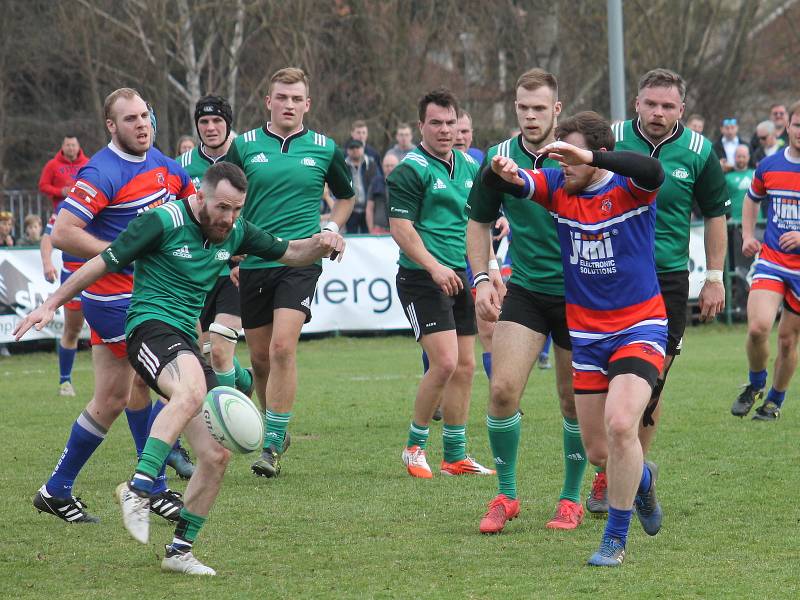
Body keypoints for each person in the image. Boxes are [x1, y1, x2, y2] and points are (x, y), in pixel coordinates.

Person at [15, 162, 345, 575]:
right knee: (189, 391)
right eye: (222, 207)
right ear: (200, 197)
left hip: (185, 341)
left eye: (237, 209)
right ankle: (139, 488)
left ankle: (179, 551)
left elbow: (293, 252)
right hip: (149, 328)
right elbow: (102, 263)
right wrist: (51, 304)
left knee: (216, 455)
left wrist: (324, 240)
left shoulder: (237, 230)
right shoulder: (162, 221)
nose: (229, 218)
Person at [484, 111, 666, 567]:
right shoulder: (558, 190)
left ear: (594, 156)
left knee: (623, 424)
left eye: (571, 156)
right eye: (559, 156)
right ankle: (642, 479)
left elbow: (653, 171)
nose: (562, 165)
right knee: (601, 452)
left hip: (639, 327)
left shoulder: (628, 189)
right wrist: (499, 172)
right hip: (587, 336)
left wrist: (589, 155)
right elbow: (508, 184)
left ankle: (614, 539)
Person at [31, 87, 194, 524]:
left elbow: (192, 212)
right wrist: (119, 252)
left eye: (145, 116)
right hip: (114, 298)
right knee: (167, 383)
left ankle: (56, 489)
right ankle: (155, 486)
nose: (141, 124)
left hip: (150, 296)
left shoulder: (166, 167)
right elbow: (64, 232)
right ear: (111, 126)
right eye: (130, 119)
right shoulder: (101, 171)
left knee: (111, 398)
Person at [598, 68, 729, 515]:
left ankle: (626, 476)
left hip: (667, 280)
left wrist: (714, 276)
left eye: (668, 106)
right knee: (600, 385)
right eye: (651, 103)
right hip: (608, 274)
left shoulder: (698, 151)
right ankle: (626, 470)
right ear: (636, 102)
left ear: (682, 110)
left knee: (650, 385)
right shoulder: (609, 139)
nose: (658, 112)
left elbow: (715, 214)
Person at [468, 68, 588, 533]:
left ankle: (571, 498)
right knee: (501, 390)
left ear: (557, 109)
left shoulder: (577, 156)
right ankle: (507, 495)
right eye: (523, 107)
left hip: (581, 297)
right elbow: (478, 222)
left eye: (540, 108)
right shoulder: (499, 158)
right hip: (528, 291)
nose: (531, 115)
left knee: (572, 401)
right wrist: (482, 278)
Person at [224, 67, 355, 478]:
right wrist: (230, 252)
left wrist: (330, 229)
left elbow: (347, 196)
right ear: (268, 101)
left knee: (283, 349)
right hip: (255, 261)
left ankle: (272, 444)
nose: (289, 105)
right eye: (282, 97)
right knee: (261, 360)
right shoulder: (243, 146)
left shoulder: (324, 147)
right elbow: (224, 198)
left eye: (297, 99)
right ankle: (273, 426)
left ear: (307, 104)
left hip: (301, 261)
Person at [389, 87, 493, 479]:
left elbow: (476, 224)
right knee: (445, 362)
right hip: (421, 277)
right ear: (421, 126)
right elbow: (401, 229)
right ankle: (414, 447)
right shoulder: (410, 169)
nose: (445, 129)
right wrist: (434, 267)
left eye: (451, 122)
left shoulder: (468, 166)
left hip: (459, 276)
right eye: (436, 123)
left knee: (466, 367)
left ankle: (455, 455)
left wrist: (489, 270)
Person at [177, 95, 253, 403]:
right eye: (204, 122)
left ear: (228, 124)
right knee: (206, 353)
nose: (210, 127)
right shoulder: (181, 165)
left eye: (217, 121)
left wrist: (243, 255)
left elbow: (254, 211)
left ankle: (229, 415)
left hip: (232, 270)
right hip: (196, 271)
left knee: (220, 349)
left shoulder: (243, 158)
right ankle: (244, 380)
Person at [731, 101, 800, 421]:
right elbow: (751, 200)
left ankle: (774, 400)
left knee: (787, 341)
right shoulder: (770, 165)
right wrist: (747, 235)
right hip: (772, 259)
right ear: (788, 127)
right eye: (798, 125)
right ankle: (756, 382)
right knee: (758, 328)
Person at [41, 210, 86, 396]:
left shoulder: (112, 197)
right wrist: (47, 263)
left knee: (118, 331)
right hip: (73, 273)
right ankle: (65, 381)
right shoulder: (66, 206)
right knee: (73, 329)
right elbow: (47, 237)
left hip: (107, 272)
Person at [38, 135, 89, 211]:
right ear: (62, 146)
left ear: (78, 146)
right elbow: (43, 186)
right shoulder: (52, 164)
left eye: (73, 145)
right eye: (68, 145)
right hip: (61, 208)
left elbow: (96, 184)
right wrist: (60, 192)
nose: (71, 148)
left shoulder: (88, 163)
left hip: (84, 206)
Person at [343, 138, 378, 234]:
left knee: (368, 239)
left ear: (363, 149)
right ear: (347, 150)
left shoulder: (371, 164)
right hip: (350, 210)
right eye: (352, 147)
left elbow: (376, 184)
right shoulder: (343, 165)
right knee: (351, 240)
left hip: (368, 209)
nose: (355, 150)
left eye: (357, 147)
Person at [366, 152, 399, 233]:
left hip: (399, 229)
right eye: (387, 166)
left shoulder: (405, 184)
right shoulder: (375, 182)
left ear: (398, 166)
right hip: (379, 230)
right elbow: (369, 208)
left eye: (392, 165)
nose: (389, 168)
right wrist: (371, 230)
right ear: (382, 166)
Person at [724, 145, 755, 222]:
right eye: (739, 156)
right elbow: (723, 199)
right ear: (734, 157)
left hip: (756, 221)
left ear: (748, 157)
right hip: (735, 221)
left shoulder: (756, 174)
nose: (741, 159)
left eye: (744, 157)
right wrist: (728, 216)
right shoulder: (727, 177)